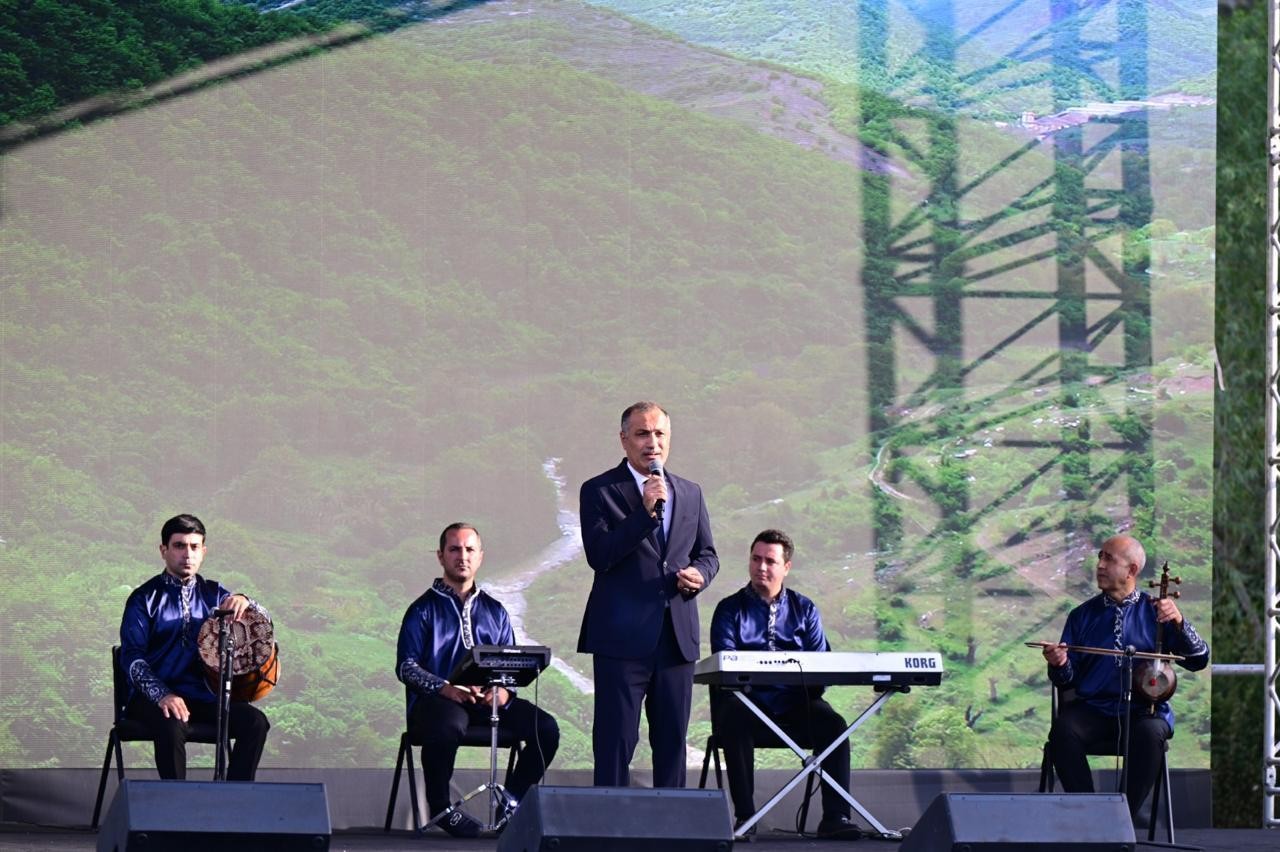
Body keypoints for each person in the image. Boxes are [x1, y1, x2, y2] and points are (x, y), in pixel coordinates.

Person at [577, 401, 719, 787]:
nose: (652, 442)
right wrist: (644, 513)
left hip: (676, 638)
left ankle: (671, 833)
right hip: (621, 639)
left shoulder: (691, 492)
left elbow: (708, 554)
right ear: (624, 440)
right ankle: (607, 834)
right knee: (615, 742)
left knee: (672, 744)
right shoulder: (598, 490)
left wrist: (700, 575)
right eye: (642, 433)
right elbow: (600, 556)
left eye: (659, 434)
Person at [396, 523, 560, 838]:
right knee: (449, 724)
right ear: (441, 556)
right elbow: (406, 667)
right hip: (438, 704)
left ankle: (510, 808)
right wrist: (445, 688)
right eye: (455, 549)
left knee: (546, 729)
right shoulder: (422, 610)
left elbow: (509, 661)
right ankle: (442, 809)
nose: (463, 556)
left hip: (488, 703)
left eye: (470, 549)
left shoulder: (496, 611)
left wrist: (502, 691)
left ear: (480, 557)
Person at [1042, 534, 1209, 821]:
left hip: (1143, 712)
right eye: (1100, 557)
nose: (1100, 565)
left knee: (1151, 733)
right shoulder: (1081, 616)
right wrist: (1059, 663)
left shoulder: (1157, 612)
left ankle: (1121, 821)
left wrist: (1179, 622)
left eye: (1109, 559)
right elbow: (1067, 680)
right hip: (1095, 710)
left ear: (1131, 570)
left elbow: (1198, 661)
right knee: (1062, 732)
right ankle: (1088, 816)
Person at [709, 529, 861, 840]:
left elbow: (820, 664)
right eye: (755, 559)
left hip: (795, 706)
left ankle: (835, 816)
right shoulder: (729, 609)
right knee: (735, 715)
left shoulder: (805, 609)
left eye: (769, 561)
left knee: (834, 725)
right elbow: (727, 667)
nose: (760, 567)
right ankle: (746, 817)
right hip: (747, 707)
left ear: (786, 567)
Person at [119, 514, 270, 780]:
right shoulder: (144, 598)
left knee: (255, 722)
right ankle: (178, 810)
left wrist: (246, 601)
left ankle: (235, 803)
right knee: (172, 720)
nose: (187, 554)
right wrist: (162, 694)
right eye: (179, 546)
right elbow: (131, 658)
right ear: (163, 551)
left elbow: (263, 625)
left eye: (194, 546)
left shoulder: (215, 594)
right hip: (151, 700)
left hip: (203, 697)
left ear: (203, 551)